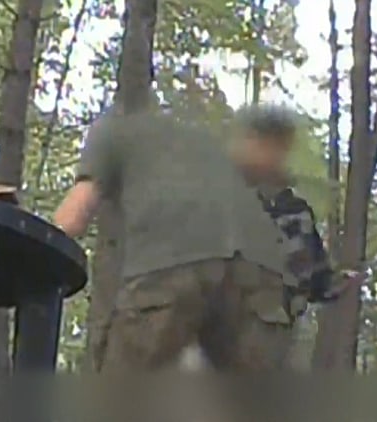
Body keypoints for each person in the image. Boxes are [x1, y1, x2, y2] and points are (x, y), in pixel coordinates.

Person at [53, 102, 296, 374]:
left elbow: (71, 220)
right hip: (260, 264)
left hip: (170, 258)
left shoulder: (108, 132)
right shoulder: (211, 141)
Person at [229, 105, 357, 322]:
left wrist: (338, 281)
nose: (272, 153)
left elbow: (315, 278)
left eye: (279, 145)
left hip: (279, 326)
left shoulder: (297, 210)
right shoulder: (225, 201)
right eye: (265, 143)